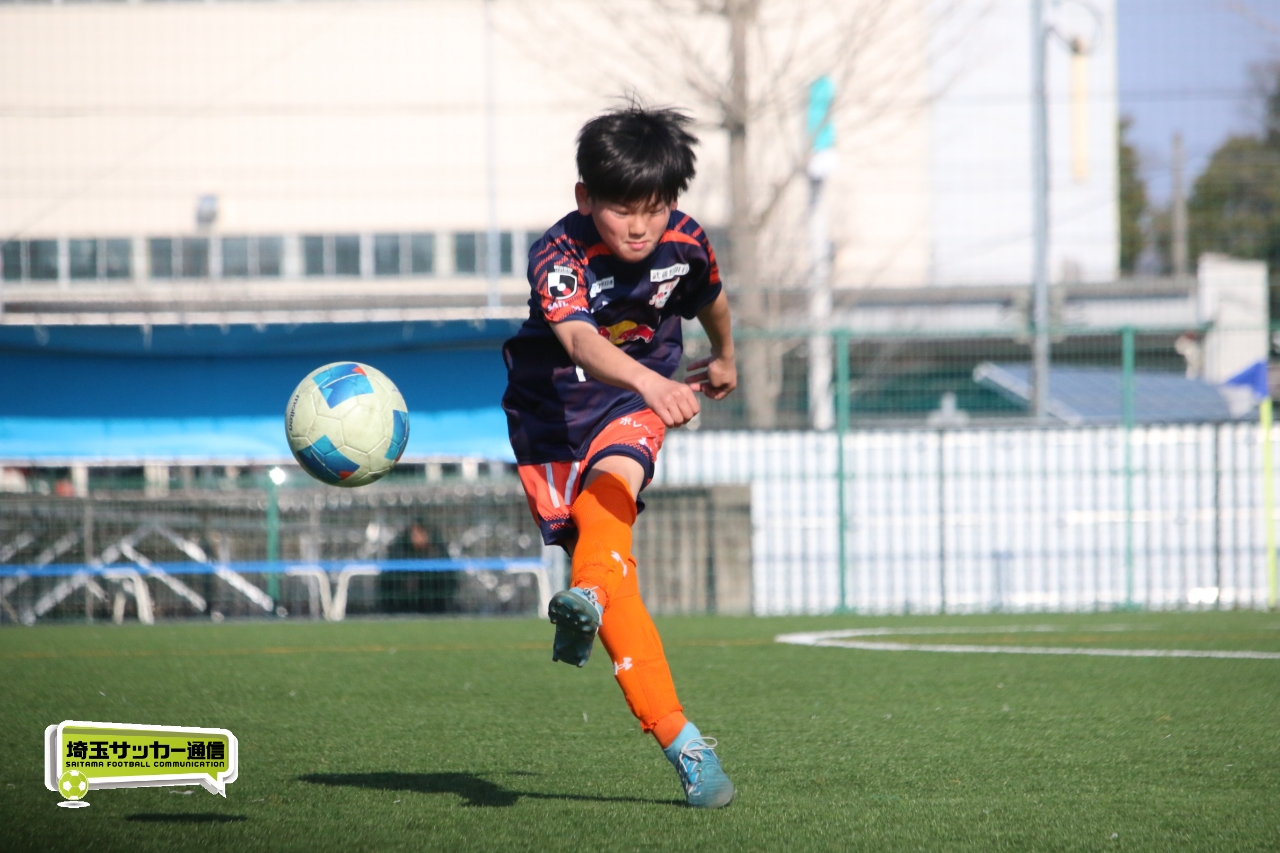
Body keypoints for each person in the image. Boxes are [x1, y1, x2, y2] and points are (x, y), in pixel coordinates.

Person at [501, 103, 738, 809]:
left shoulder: (686, 241)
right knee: (612, 570)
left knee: (616, 488)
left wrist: (725, 355)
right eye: (621, 210)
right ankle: (681, 737)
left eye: (654, 208)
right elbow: (578, 341)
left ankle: (593, 600)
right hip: (549, 417)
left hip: (630, 406)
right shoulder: (558, 256)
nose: (639, 226)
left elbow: (712, 297)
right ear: (585, 198)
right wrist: (653, 382)